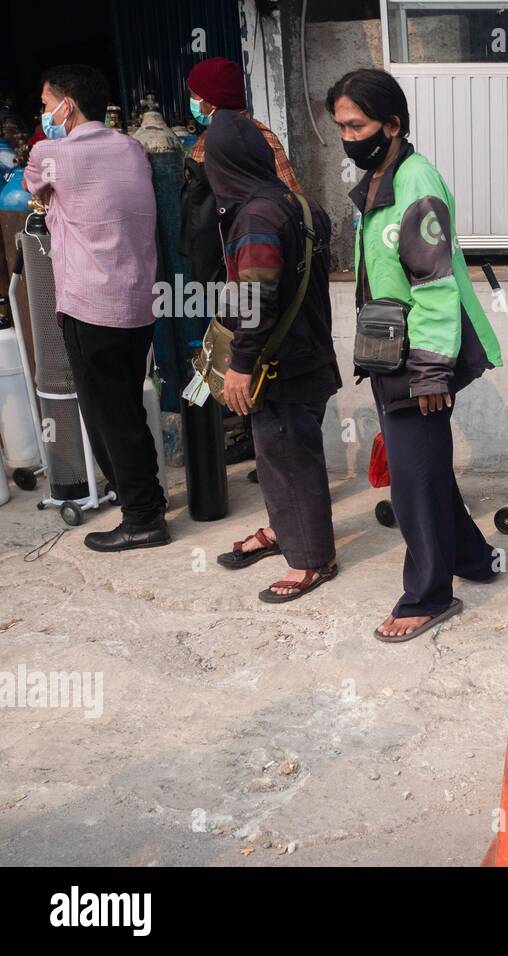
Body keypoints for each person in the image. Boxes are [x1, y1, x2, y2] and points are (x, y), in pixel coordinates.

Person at [328, 68, 502, 642]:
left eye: (357, 124)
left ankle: (427, 594)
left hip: (421, 355)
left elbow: (433, 284)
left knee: (413, 481)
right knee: (422, 471)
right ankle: (473, 560)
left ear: (393, 124)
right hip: (392, 350)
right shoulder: (383, 175)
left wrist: (430, 371)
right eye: (341, 127)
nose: (348, 136)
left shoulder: (415, 179)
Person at [23, 64, 169, 552]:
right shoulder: (131, 148)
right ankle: (147, 500)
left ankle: (143, 518)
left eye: (46, 105)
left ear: (67, 105)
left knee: (110, 417)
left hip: (90, 305)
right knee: (126, 406)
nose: (44, 115)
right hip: (138, 302)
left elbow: (30, 189)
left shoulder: (50, 152)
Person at [204, 112, 341, 602]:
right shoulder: (299, 204)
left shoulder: (256, 217)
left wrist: (240, 363)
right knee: (281, 453)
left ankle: (311, 560)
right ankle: (288, 531)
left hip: (280, 366)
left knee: (288, 458)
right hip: (309, 356)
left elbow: (258, 298)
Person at [180, 56, 302, 473]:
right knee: (239, 347)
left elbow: (283, 206)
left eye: (196, 94)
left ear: (210, 99)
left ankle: (265, 440)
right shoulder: (238, 137)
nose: (193, 102)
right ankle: (257, 438)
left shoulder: (238, 140)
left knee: (251, 348)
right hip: (236, 265)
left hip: (250, 264)